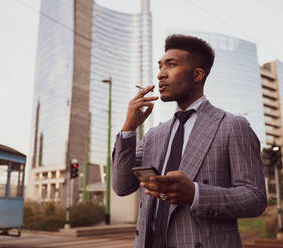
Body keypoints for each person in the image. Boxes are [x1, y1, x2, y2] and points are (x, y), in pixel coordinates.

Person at [111, 34, 267, 248]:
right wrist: (128, 129)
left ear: (197, 74)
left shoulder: (232, 125)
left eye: (171, 65)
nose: (160, 74)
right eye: (160, 66)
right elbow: (121, 186)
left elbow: (255, 198)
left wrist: (196, 194)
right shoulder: (154, 135)